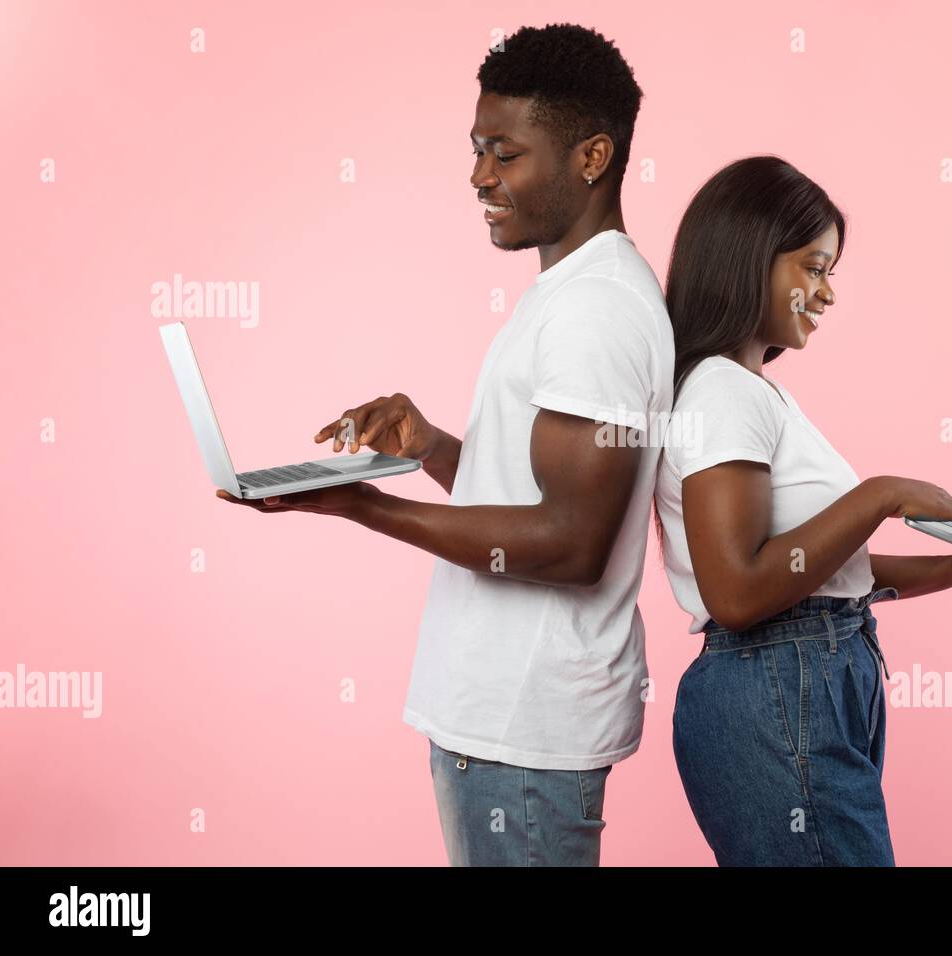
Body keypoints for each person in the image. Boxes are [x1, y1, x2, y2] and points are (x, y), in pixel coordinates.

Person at [219, 24, 673, 867]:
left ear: (591, 156)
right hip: (503, 725)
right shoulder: (570, 293)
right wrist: (430, 449)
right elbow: (536, 498)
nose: (479, 177)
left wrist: (364, 504)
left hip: (522, 731)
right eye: (476, 150)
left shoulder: (596, 309)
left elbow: (572, 545)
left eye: (504, 153)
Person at [653, 155, 952, 866]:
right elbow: (739, 592)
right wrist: (878, 495)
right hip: (779, 682)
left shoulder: (751, 390)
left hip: (806, 677)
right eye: (813, 267)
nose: (827, 293)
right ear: (751, 257)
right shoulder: (723, 392)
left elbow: (816, 571)